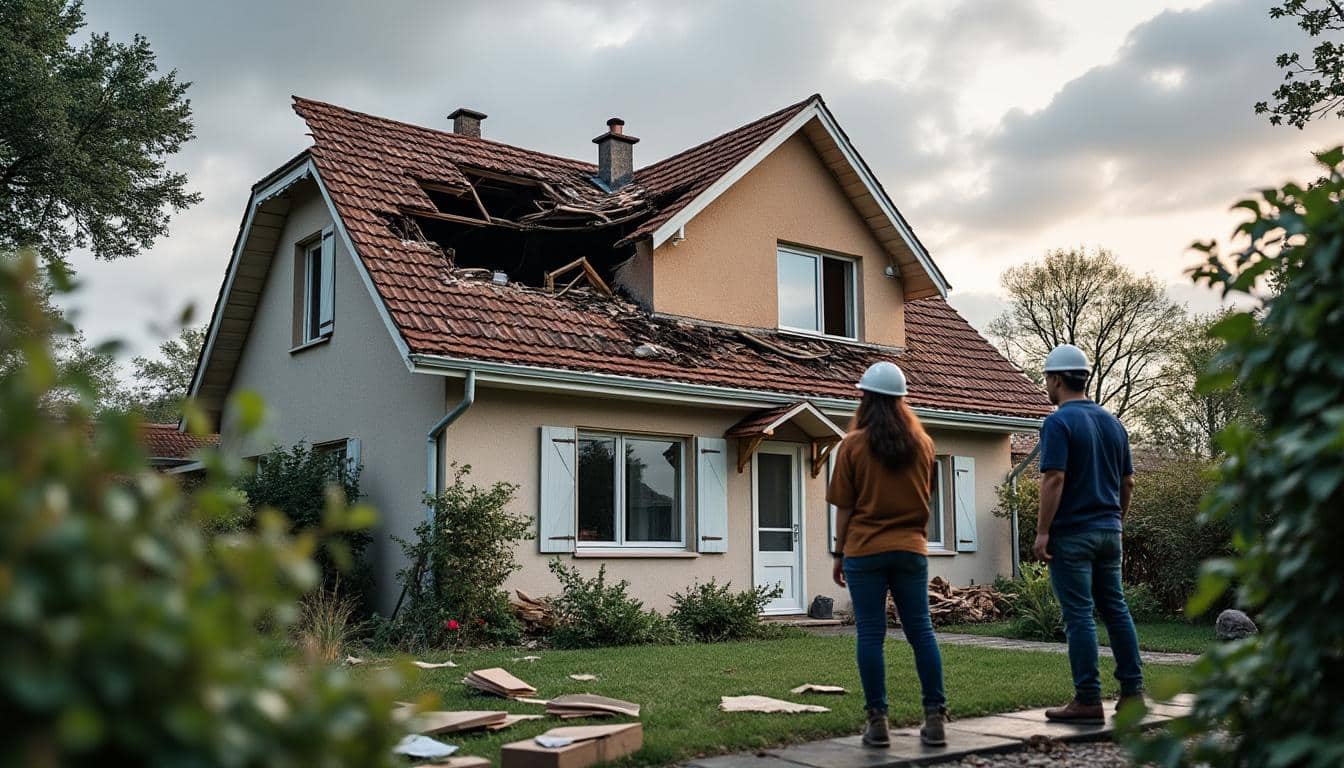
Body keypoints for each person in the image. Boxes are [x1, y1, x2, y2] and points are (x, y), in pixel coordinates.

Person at [829, 361, 948, 748]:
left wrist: (839, 552)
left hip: (865, 551)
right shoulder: (924, 445)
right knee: (921, 630)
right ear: (902, 401)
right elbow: (925, 495)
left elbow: (844, 507)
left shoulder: (853, 446)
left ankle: (877, 721)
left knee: (870, 633)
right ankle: (935, 718)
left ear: (864, 398)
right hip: (911, 549)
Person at [1033, 344, 1144, 724]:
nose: (1046, 385)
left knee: (1079, 615)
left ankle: (1088, 700)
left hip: (1073, 535)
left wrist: (1043, 531)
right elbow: (1127, 483)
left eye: (1047, 378)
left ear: (1058, 379)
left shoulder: (1058, 423)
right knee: (1116, 610)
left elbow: (1054, 478)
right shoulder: (1114, 424)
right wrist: (1117, 522)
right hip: (1109, 532)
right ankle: (1133, 694)